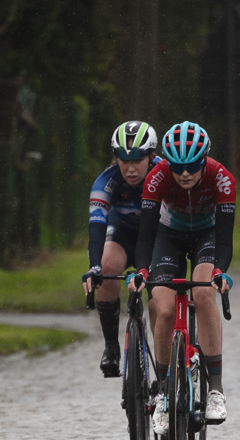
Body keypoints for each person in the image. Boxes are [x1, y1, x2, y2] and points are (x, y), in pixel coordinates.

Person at [129, 121, 235, 431]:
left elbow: (226, 241)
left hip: (208, 235)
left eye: (191, 166)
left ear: (204, 161)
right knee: (162, 307)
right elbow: (145, 237)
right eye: (177, 167)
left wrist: (220, 272)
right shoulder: (157, 178)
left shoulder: (222, 179)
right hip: (168, 235)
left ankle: (215, 388)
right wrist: (142, 270)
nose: (184, 173)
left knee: (203, 294)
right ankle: (163, 391)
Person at [82, 120, 160, 377]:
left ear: (151, 156)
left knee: (161, 292)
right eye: (123, 160)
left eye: (138, 160)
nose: (130, 168)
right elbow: (96, 229)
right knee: (106, 267)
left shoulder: (165, 175)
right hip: (123, 231)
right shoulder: (106, 182)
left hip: (158, 234)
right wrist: (94, 267)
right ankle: (111, 346)